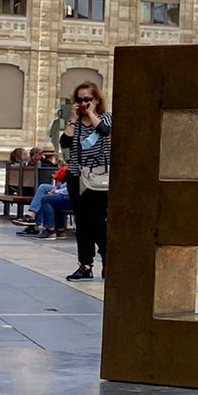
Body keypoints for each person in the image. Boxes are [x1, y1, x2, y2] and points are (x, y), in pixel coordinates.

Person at [59, 82, 111, 280]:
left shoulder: (106, 118)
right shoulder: (77, 123)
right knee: (81, 224)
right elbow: (65, 143)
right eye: (79, 100)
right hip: (77, 177)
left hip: (99, 179)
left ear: (97, 100)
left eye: (87, 99)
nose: (83, 103)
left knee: (96, 222)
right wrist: (73, 119)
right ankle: (85, 265)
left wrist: (91, 114)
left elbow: (106, 132)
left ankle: (108, 258)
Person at [19, 155, 71, 238]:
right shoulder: (69, 170)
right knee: (43, 187)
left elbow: (70, 189)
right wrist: (56, 188)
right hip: (65, 191)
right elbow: (64, 186)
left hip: (71, 195)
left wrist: (56, 191)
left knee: (46, 199)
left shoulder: (76, 170)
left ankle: (49, 229)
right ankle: (33, 214)